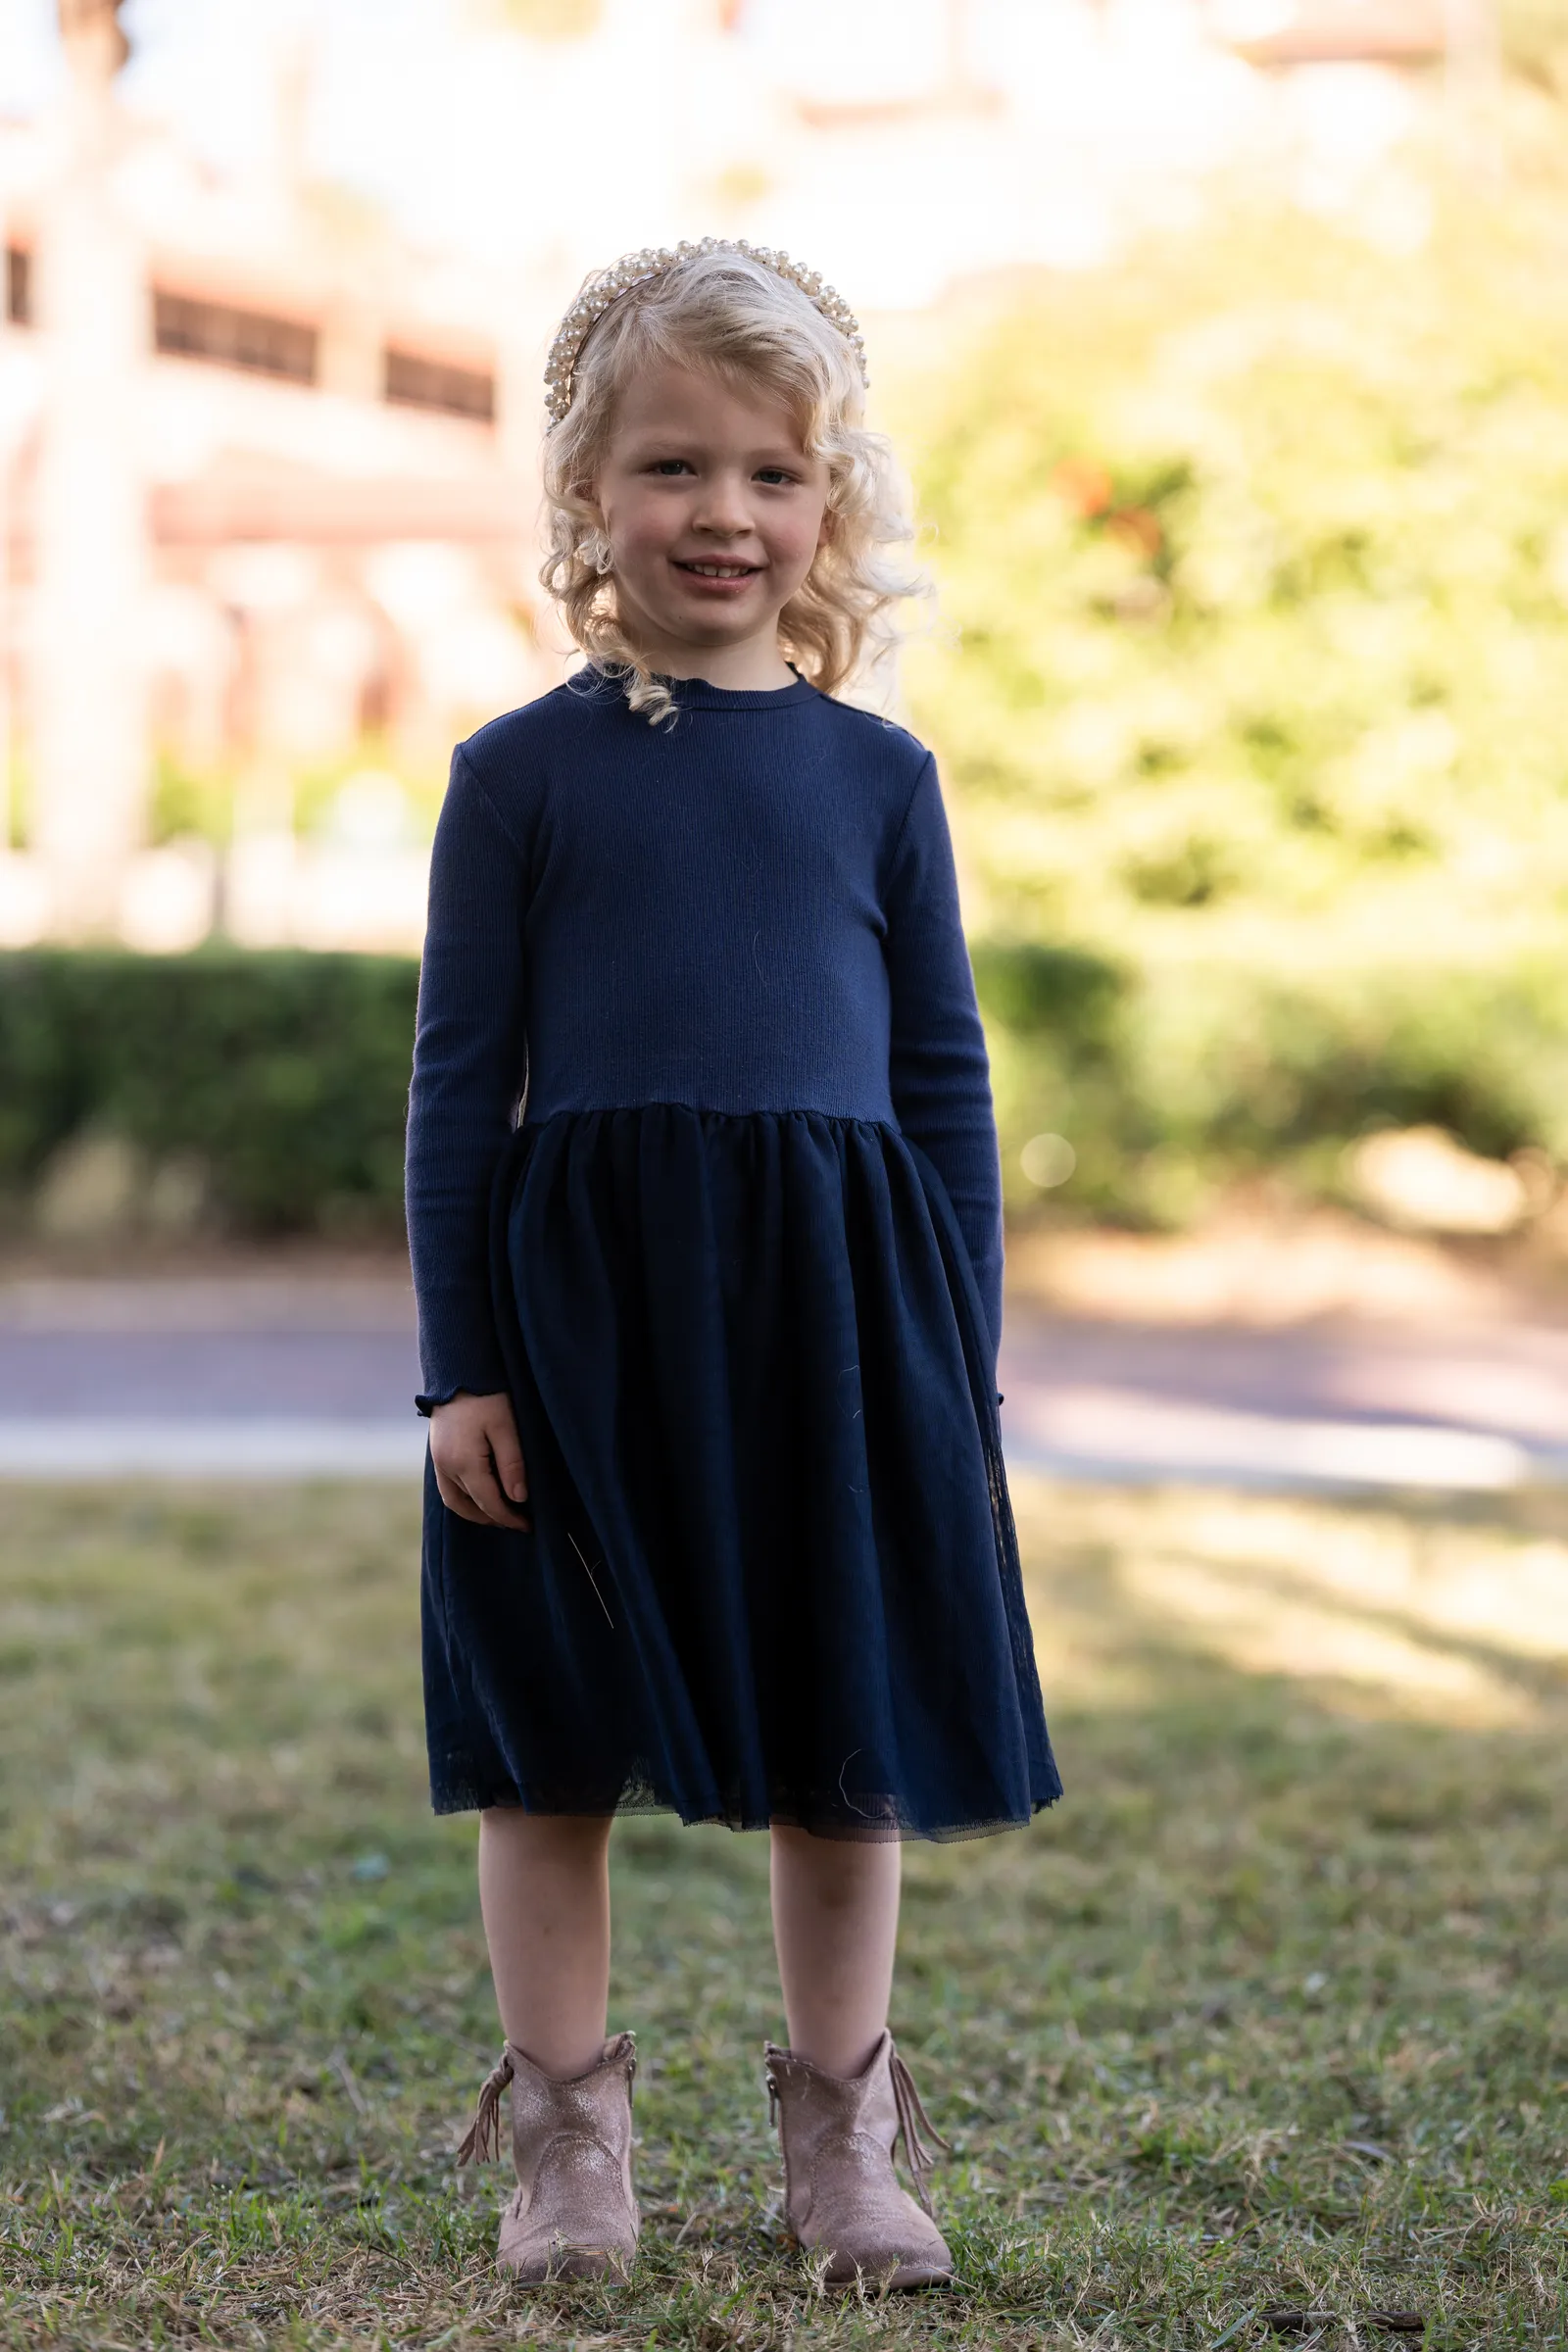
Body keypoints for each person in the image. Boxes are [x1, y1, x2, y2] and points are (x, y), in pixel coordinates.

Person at [405, 238, 1061, 2292]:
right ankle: (566, 2147)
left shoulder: (880, 780)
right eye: (672, 468)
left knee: (836, 1737)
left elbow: (942, 1084)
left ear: (833, 498)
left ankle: (842, 2142)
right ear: (587, 497)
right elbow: (456, 1089)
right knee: (547, 1735)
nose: (723, 514)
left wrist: (955, 1359)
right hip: (582, 1321)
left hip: (835, 1315)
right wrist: (462, 1372)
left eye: (773, 474)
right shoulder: (517, 775)